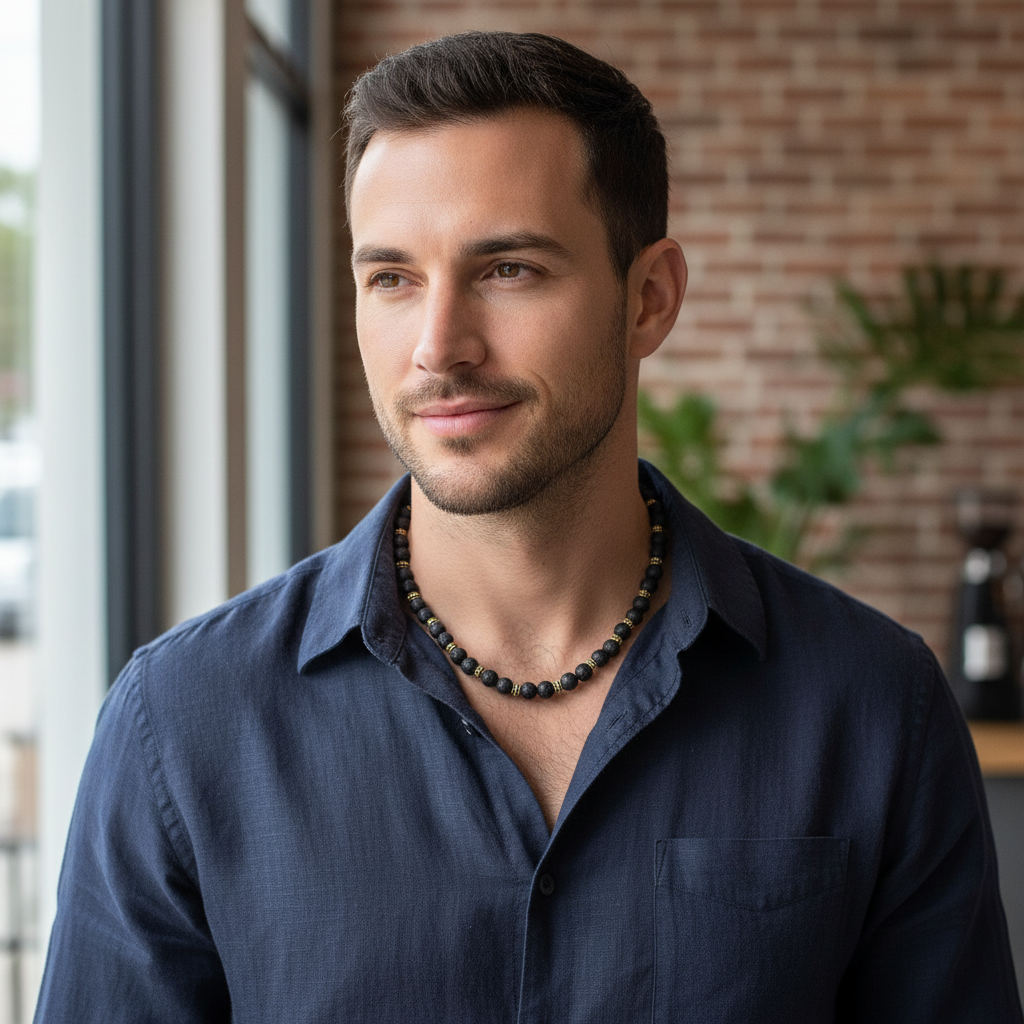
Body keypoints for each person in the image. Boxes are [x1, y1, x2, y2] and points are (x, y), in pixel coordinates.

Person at [34, 31, 1022, 1023]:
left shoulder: (873, 707)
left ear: (649, 299)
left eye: (507, 269)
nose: (438, 348)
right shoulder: (182, 725)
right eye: (392, 278)